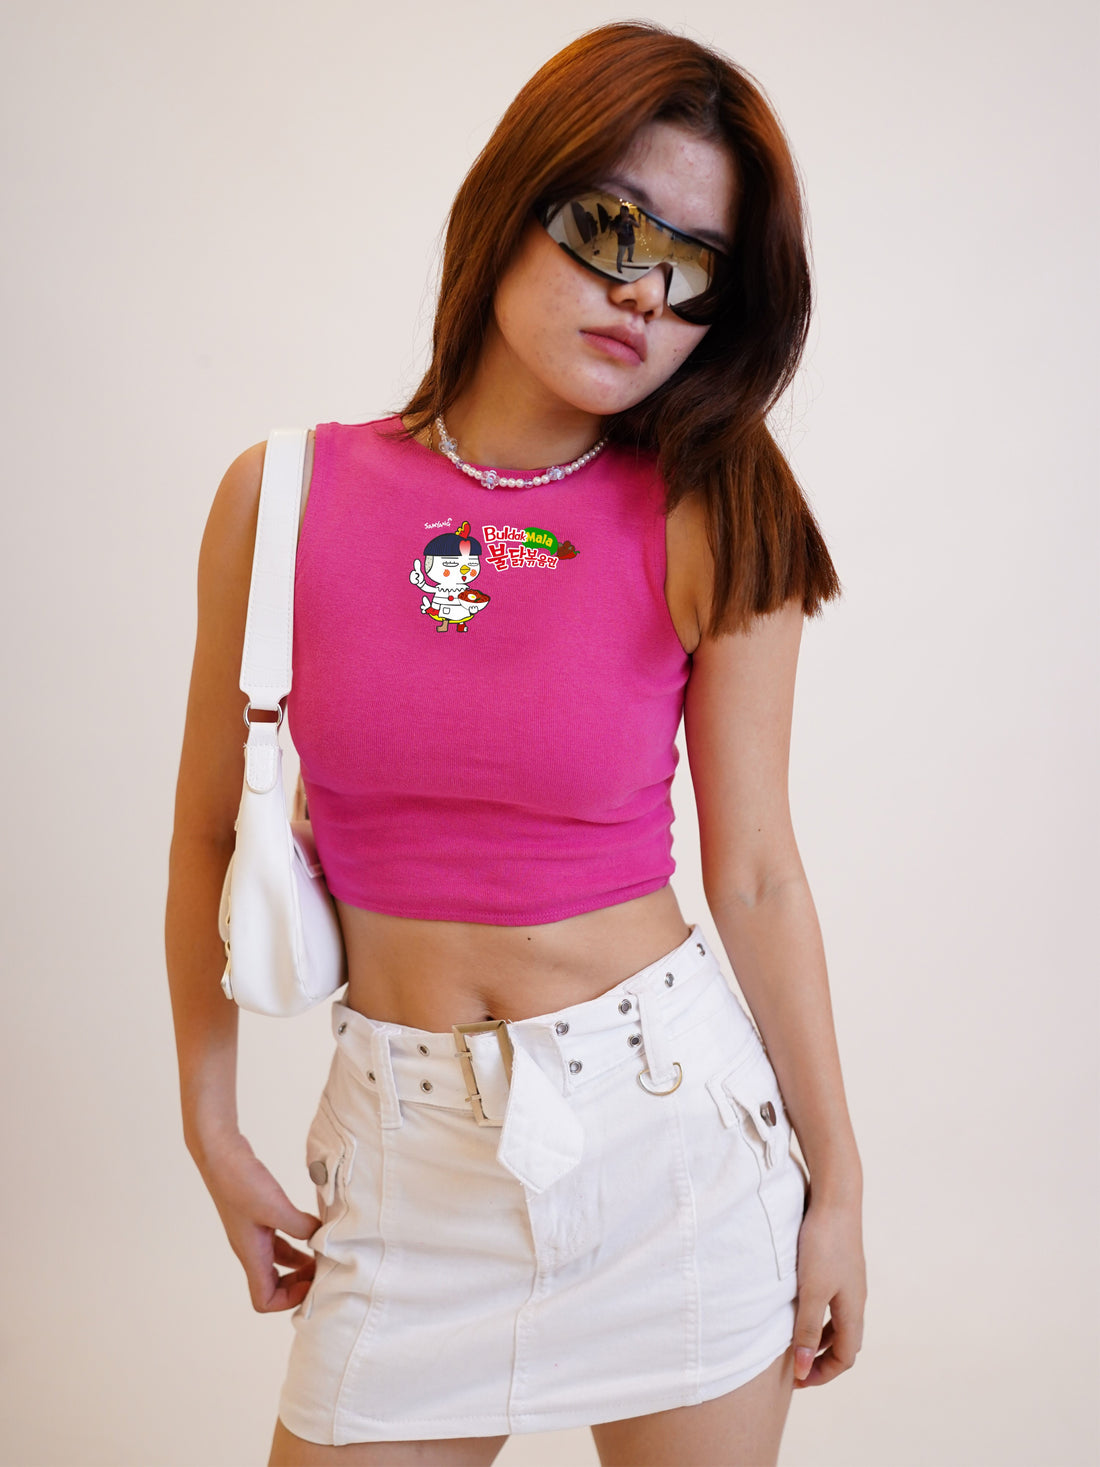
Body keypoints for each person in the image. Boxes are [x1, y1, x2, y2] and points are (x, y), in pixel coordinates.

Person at [165, 20, 866, 1467]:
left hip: (670, 1147)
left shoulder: (714, 506)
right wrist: (212, 1126)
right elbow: (210, 836)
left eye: (696, 267)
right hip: (403, 1159)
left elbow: (756, 874)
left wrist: (841, 1191)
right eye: (612, 226)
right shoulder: (281, 497)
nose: (644, 289)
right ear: (511, 200)